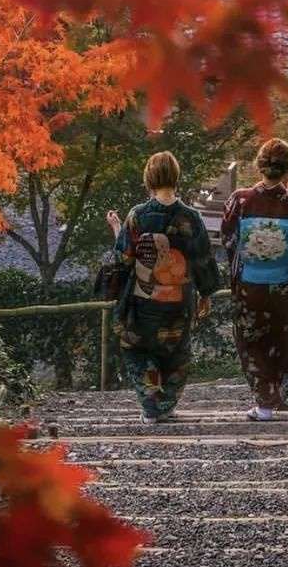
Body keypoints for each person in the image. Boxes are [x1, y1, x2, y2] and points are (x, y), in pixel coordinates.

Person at [107, 150, 220, 424]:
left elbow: (123, 258)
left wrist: (117, 228)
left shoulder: (138, 215)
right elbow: (203, 258)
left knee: (137, 347)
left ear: (149, 178)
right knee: (176, 352)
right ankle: (166, 404)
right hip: (179, 299)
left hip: (143, 299)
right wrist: (206, 293)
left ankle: (150, 405)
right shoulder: (191, 217)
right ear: (176, 177)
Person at [221, 137, 288, 421]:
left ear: (259, 165)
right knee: (282, 338)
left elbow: (229, 241)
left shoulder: (241, 200)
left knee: (252, 341)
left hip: (250, 284)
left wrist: (238, 273)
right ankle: (279, 393)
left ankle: (265, 400)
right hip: (283, 284)